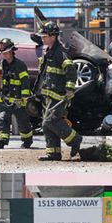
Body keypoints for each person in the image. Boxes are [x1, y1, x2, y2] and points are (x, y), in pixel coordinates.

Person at [34, 21, 82, 161]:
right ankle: (54, 153)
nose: (42, 38)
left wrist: (69, 90)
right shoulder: (49, 52)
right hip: (49, 96)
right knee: (46, 123)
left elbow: (71, 71)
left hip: (60, 96)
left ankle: (75, 140)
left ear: (53, 36)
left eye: (45, 36)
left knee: (51, 121)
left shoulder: (60, 53)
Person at [0, 38, 34, 149]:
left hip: (19, 100)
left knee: (23, 122)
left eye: (5, 53)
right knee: (2, 118)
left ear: (11, 51)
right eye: (2, 53)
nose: (3, 55)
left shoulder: (20, 65)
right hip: (5, 100)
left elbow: (25, 82)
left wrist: (25, 97)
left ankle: (27, 140)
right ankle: (1, 140)